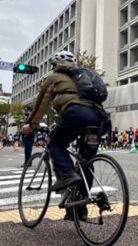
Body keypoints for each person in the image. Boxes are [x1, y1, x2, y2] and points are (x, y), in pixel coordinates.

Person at [21, 50, 109, 221]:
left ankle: (67, 175)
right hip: (99, 118)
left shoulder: (54, 77)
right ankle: (78, 209)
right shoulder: (84, 76)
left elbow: (42, 103)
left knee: (55, 144)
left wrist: (31, 125)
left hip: (76, 113)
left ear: (55, 65)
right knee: (86, 161)